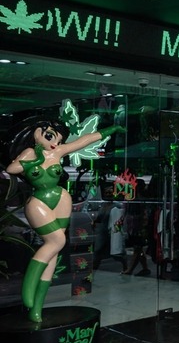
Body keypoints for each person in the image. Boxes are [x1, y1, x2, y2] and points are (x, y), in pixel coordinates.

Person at [6, 118, 122, 322]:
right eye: (50, 136)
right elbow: (12, 169)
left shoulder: (58, 152)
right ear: (36, 133)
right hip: (38, 201)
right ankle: (28, 289)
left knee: (54, 250)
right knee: (56, 241)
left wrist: (111, 129)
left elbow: (84, 141)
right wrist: (34, 161)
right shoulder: (30, 153)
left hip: (61, 198)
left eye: (58, 140)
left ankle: (37, 306)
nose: (55, 143)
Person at [122, 178, 152, 276]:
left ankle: (130, 269)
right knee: (138, 248)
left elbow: (144, 214)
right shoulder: (133, 198)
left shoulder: (139, 198)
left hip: (138, 226)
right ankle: (145, 268)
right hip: (134, 226)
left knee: (137, 248)